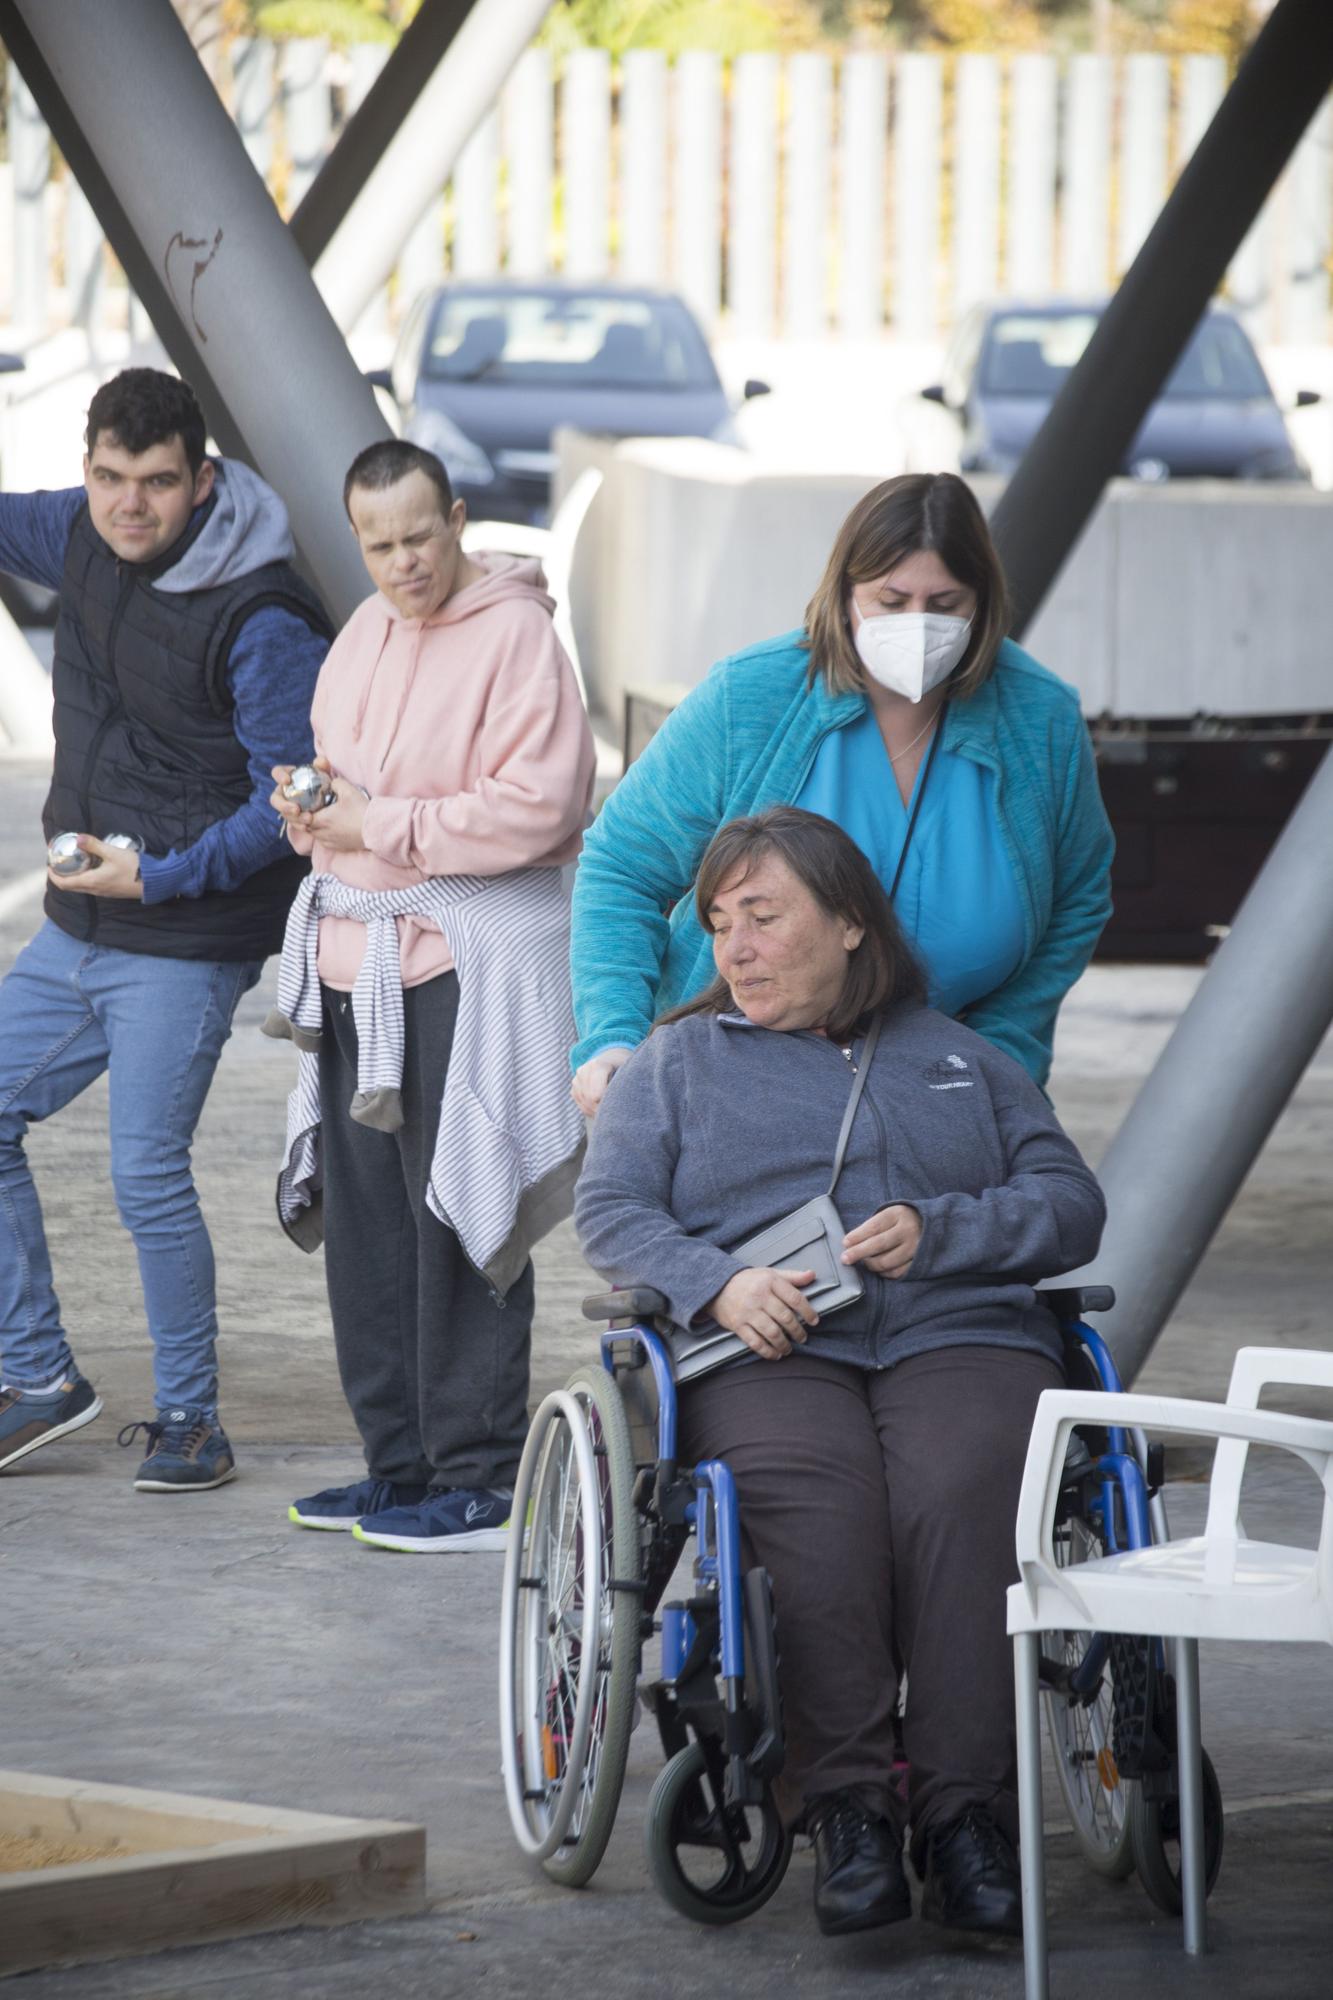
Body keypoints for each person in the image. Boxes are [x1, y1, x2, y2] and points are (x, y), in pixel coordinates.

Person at [575, 807, 1106, 1940]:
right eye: (719, 923)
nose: (735, 947)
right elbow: (610, 1209)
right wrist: (715, 1281)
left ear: (852, 923)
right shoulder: (677, 1061)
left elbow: (1072, 1204)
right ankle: (849, 1804)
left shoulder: (964, 1057)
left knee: (964, 1491)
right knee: (818, 1506)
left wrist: (947, 1229)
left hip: (957, 1330)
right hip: (772, 1342)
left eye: (762, 916)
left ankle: (968, 1817)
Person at [0, 367, 331, 1492]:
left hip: (186, 936)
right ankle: (40, 1375)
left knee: (145, 1172)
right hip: (80, 918)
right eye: (107, 477)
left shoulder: (263, 614)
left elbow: (291, 801)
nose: (127, 505)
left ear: (201, 480)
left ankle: (193, 1417)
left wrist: (166, 876)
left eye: (153, 482)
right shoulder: (80, 533)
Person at [274, 439, 595, 1554]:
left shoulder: (516, 634)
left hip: (461, 959)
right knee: (366, 1228)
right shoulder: (361, 629)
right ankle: (395, 1461)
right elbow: (343, 788)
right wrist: (312, 809)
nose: (403, 563)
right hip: (356, 960)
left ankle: (478, 1475)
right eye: (379, 544)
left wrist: (382, 824)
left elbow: (542, 806)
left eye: (420, 535)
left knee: (460, 1209)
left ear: (456, 517)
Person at [570, 472, 1113, 1117]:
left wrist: (1002, 1057)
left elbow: (1077, 898)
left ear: (984, 603)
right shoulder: (749, 696)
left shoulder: (1041, 717)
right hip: (729, 1080)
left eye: (944, 604)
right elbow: (620, 867)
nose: (918, 624)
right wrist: (613, 1039)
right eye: (891, 598)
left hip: (947, 1092)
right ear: (845, 594)